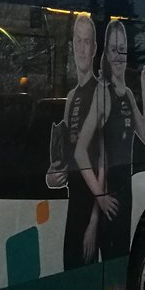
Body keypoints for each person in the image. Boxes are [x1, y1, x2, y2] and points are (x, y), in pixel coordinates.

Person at [74, 20, 145, 260]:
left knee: (121, 257)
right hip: (110, 199)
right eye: (113, 49)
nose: (119, 56)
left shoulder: (126, 95)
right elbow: (81, 151)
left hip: (127, 197)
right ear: (105, 53)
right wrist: (100, 197)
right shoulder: (104, 92)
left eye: (123, 49)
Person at [46, 15, 102, 269]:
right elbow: (65, 159)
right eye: (77, 41)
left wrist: (94, 223)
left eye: (86, 41)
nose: (81, 47)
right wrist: (51, 175)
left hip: (92, 208)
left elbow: (107, 164)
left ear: (94, 48)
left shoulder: (102, 93)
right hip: (73, 206)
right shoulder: (70, 97)